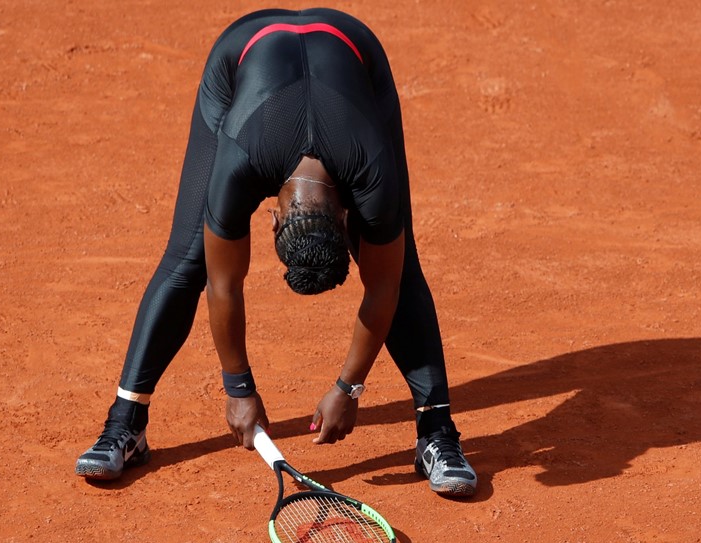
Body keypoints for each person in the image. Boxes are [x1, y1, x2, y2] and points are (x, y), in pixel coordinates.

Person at [74, 7, 477, 497]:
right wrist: (238, 388)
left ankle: (437, 433)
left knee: (399, 259)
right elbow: (222, 283)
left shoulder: (372, 172)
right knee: (188, 259)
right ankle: (126, 424)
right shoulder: (240, 162)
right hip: (240, 52)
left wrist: (349, 388)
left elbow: (385, 283)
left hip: (357, 54)